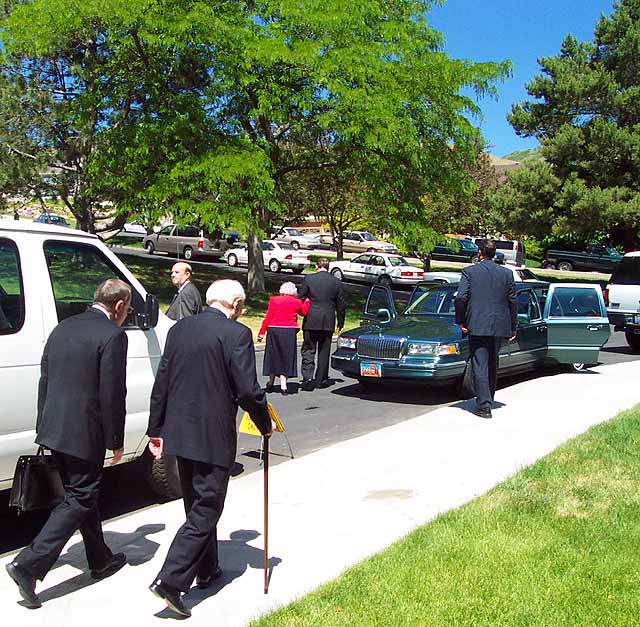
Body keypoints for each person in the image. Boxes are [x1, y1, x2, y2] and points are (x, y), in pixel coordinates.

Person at [147, 279, 272, 618]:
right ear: (235, 303)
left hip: (179, 432)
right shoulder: (236, 334)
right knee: (207, 508)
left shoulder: (180, 329)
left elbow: (163, 380)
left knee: (195, 504)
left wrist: (155, 429)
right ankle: (171, 580)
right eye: (242, 305)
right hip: (211, 435)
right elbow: (248, 390)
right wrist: (265, 423)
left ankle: (207, 568)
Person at [6, 278, 132, 609]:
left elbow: (44, 378)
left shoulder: (63, 328)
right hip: (83, 432)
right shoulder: (113, 336)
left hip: (53, 426)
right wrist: (115, 439)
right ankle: (28, 564)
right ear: (119, 306)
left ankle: (99, 558)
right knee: (80, 497)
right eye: (127, 309)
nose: (126, 315)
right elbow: (112, 393)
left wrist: (42, 425)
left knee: (80, 493)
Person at [454, 239, 517, 419]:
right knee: (492, 362)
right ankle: (488, 397)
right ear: (494, 253)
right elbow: (513, 301)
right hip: (499, 324)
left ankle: (484, 405)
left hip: (477, 324)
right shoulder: (506, 274)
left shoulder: (469, 272)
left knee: (480, 364)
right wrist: (513, 326)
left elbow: (460, 298)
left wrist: (461, 321)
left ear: (480, 253)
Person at [297, 257, 346, 391]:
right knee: (324, 351)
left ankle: (307, 377)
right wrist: (341, 321)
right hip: (328, 319)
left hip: (312, 318)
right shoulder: (336, 282)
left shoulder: (309, 279)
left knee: (308, 348)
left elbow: (300, 297)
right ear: (328, 268)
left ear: (317, 267)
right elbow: (341, 304)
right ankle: (321, 379)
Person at [257, 281, 310, 395]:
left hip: (274, 330)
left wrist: (261, 332)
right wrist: (306, 301)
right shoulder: (296, 302)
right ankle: (283, 385)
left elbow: (268, 316)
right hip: (289, 331)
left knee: (273, 355)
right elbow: (303, 312)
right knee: (286, 356)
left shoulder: (274, 300)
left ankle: (270, 382)